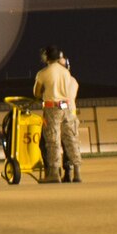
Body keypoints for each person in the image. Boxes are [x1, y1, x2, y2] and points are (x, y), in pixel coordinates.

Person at [32, 45, 79, 183]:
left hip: (52, 108)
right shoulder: (66, 73)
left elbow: (36, 92)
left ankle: (53, 174)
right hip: (67, 107)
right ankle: (77, 172)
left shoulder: (43, 73)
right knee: (71, 140)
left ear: (46, 57)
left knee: (52, 141)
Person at [56, 53, 83, 182]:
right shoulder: (62, 81)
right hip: (63, 116)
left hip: (68, 117)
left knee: (71, 145)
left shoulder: (71, 81)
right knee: (65, 146)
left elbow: (66, 100)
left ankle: (76, 173)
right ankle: (68, 173)